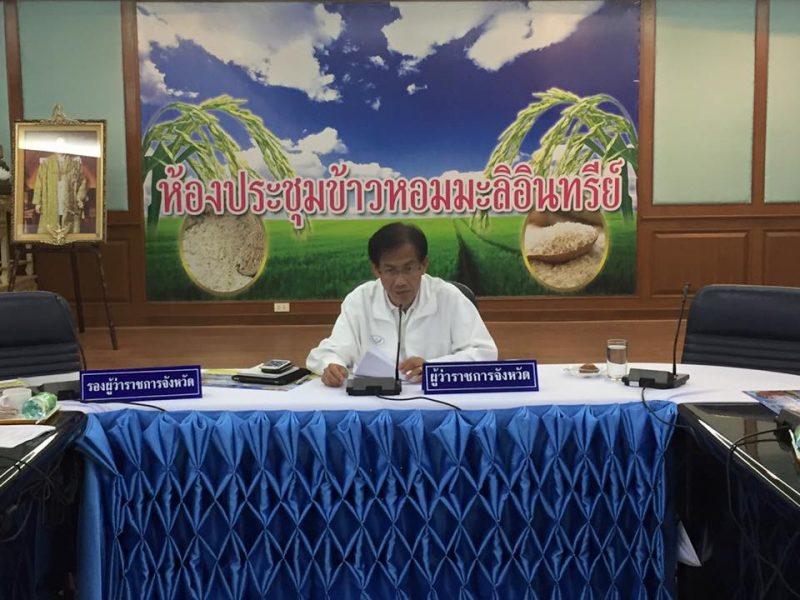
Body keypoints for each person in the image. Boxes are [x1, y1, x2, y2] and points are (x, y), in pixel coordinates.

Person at [307, 222, 498, 387]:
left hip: (436, 403)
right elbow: (330, 351)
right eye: (390, 271)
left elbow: (483, 353)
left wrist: (435, 368)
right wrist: (332, 365)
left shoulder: (449, 297)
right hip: (375, 403)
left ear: (424, 265)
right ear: (376, 269)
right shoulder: (360, 300)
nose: (400, 281)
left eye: (409, 269)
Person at [32, 152, 88, 234]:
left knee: (69, 225)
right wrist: (38, 202)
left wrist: (80, 198)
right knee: (50, 225)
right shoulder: (46, 163)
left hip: (69, 200)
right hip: (50, 200)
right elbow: (39, 183)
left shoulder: (75, 164)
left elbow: (82, 181)